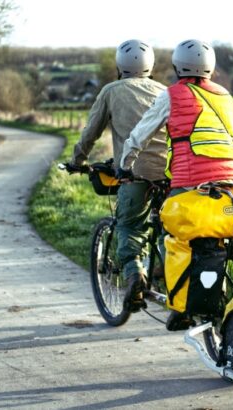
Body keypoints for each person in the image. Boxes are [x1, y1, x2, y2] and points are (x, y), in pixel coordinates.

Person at [119, 39, 233, 330]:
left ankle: (183, 306)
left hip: (192, 181)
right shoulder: (227, 97)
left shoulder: (173, 95)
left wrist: (125, 164)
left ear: (177, 67)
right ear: (211, 69)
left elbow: (140, 135)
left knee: (173, 232)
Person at [71, 39, 167, 312]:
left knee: (129, 226)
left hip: (134, 173)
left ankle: (135, 274)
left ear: (119, 65)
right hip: (171, 174)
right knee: (169, 229)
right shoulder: (165, 91)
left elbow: (91, 131)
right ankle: (171, 274)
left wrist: (78, 160)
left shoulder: (111, 90)